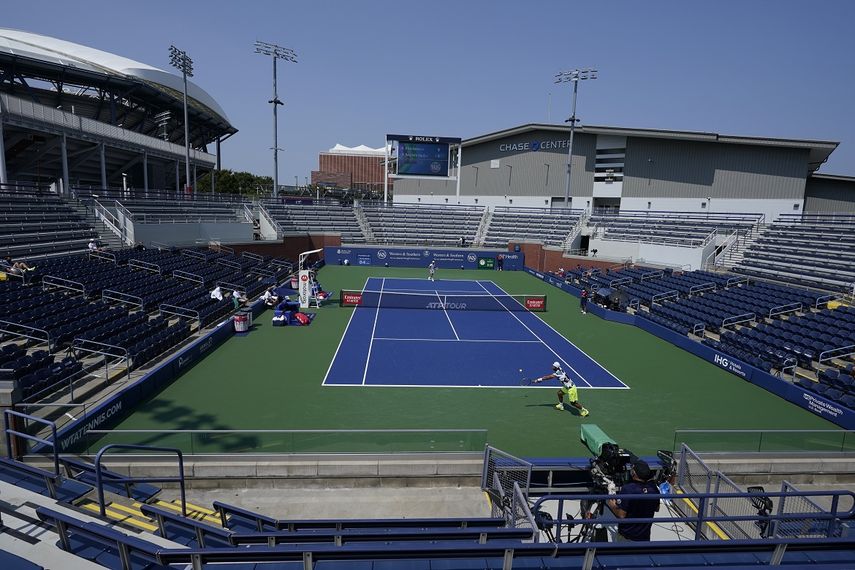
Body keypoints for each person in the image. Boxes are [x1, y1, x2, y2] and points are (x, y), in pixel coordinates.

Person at [606, 459, 661, 541]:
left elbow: (621, 515)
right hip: (645, 537)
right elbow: (657, 508)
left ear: (634, 473)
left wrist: (610, 503)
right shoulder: (654, 489)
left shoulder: (628, 489)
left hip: (628, 537)